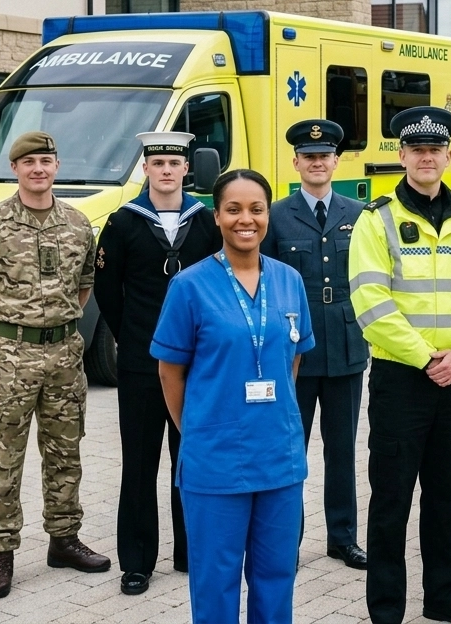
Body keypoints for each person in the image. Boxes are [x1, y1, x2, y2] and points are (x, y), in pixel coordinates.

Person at [348, 106, 451, 624]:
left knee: (445, 496)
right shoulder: (377, 220)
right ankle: (386, 607)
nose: (427, 158)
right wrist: (426, 357)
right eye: (417, 150)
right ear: (402, 155)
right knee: (391, 500)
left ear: (450, 156)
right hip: (402, 380)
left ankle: (443, 596)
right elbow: (371, 303)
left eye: (435, 150)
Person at [151, 169, 315, 623]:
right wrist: (199, 429)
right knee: (215, 580)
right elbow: (169, 372)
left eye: (257, 209)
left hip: (279, 457)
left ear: (268, 215)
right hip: (215, 462)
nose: (247, 219)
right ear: (217, 217)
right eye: (234, 209)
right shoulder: (189, 286)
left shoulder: (289, 281)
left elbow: (293, 360)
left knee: (276, 575)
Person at [0, 130, 111, 599]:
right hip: (9, 357)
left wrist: (55, 327)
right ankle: (0, 553)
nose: (38, 169)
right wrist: (0, 338)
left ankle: (64, 540)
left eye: (45, 161)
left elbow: (84, 285)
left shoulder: (78, 224)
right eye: (29, 162)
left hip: (64, 354)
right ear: (15, 169)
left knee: (65, 452)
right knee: (3, 456)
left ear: (56, 166)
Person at [94, 131, 221, 595]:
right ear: (145, 168)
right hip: (143, 364)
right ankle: (137, 561)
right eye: (158, 163)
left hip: (197, 364)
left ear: (187, 169)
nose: (167, 170)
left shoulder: (206, 221)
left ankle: (191, 552)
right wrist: (133, 336)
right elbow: (108, 290)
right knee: (139, 462)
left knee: (192, 460)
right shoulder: (123, 222)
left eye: (174, 163)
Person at [261, 119, 369, 570]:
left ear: (336, 162)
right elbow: (265, 282)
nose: (317, 163)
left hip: (345, 344)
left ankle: (343, 538)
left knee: (342, 450)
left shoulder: (358, 214)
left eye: (324, 156)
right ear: (296, 163)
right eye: (309, 157)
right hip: (295, 350)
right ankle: (288, 538)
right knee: (291, 449)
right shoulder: (277, 216)